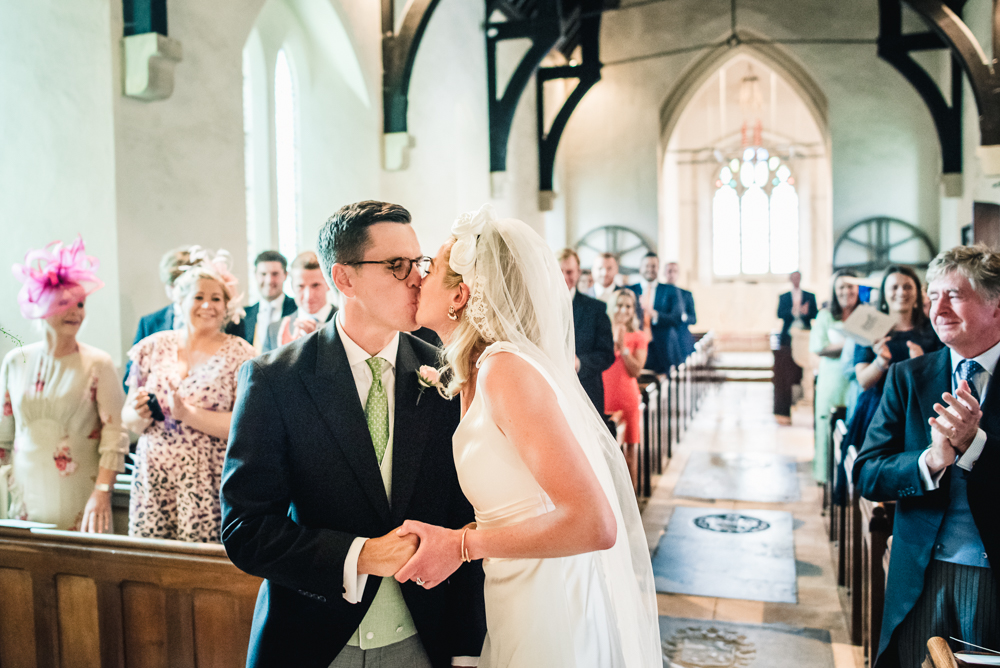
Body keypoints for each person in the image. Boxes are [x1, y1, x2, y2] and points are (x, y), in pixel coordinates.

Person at [220, 201, 486, 668]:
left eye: (419, 263)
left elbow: (467, 510)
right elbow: (246, 531)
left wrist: (468, 649)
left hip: (428, 638)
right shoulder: (275, 380)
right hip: (315, 640)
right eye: (397, 265)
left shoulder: (450, 369)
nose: (418, 279)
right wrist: (360, 555)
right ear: (343, 279)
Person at [398, 204, 660, 667]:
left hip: (551, 600)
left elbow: (594, 523)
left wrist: (462, 545)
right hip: (514, 588)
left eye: (429, 268)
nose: (417, 278)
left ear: (460, 294)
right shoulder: (477, 370)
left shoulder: (506, 370)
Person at [854, 245, 1000, 668]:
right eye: (932, 296)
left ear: (995, 305)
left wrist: (975, 447)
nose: (938, 309)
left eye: (954, 296)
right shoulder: (909, 377)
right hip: (920, 572)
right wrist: (930, 460)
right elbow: (867, 473)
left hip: (991, 576)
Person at [122, 249, 255, 542]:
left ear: (226, 306)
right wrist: (138, 412)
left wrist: (188, 415)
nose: (207, 304)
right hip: (153, 477)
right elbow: (128, 419)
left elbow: (244, 426)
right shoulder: (152, 347)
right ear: (179, 302)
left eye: (216, 298)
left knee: (199, 572)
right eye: (198, 297)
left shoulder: (242, 355)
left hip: (207, 481)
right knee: (149, 566)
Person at [1, 237, 128, 531]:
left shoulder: (98, 363)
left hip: (80, 494)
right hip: (22, 490)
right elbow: (3, 432)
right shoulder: (14, 360)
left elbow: (115, 434)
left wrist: (102, 492)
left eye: (81, 304)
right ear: (41, 306)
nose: (76, 312)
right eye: (65, 304)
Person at [836, 265, 942, 505]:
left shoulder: (932, 328)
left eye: (907, 286)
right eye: (894, 286)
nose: (901, 292)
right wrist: (881, 360)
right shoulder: (872, 326)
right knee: (874, 481)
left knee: (914, 478)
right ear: (884, 292)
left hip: (919, 412)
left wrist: (920, 365)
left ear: (917, 292)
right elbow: (863, 381)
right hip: (877, 409)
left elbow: (942, 379)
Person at [809, 269, 859, 484]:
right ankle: (826, 475)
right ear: (834, 290)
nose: (846, 291)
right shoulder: (826, 315)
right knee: (827, 427)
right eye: (841, 287)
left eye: (850, 286)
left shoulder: (866, 315)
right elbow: (819, 347)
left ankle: (849, 480)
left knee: (854, 427)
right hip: (832, 379)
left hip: (857, 380)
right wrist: (851, 343)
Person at [124, 246, 193, 390]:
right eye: (172, 283)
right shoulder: (149, 323)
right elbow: (131, 377)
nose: (177, 290)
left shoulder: (218, 320)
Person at [557, 248, 615, 417]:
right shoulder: (540, 307)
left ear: (578, 273)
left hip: (587, 392)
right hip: (553, 394)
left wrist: (580, 363)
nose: (564, 277)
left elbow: (607, 354)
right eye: (559, 271)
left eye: (569, 272)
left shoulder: (595, 308)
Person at [262, 251, 336, 353]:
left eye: (315, 285)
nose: (308, 296)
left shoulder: (347, 322)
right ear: (292, 286)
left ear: (328, 284)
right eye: (300, 286)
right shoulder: (274, 330)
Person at [603, 290, 650, 452]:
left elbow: (635, 371)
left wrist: (624, 349)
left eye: (628, 306)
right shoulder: (602, 332)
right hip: (604, 394)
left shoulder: (639, 336)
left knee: (630, 450)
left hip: (626, 396)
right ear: (612, 307)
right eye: (619, 305)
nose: (624, 310)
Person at [627, 252, 686, 374]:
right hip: (635, 346)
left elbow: (677, 318)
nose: (650, 269)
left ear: (658, 268)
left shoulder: (670, 290)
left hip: (661, 346)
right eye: (647, 266)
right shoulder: (630, 290)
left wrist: (655, 315)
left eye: (653, 266)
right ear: (640, 268)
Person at [774, 271, 818, 424]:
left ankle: (806, 397)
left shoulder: (809, 295)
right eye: (794, 277)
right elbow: (779, 313)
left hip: (805, 336)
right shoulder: (784, 296)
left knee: (806, 369)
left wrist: (806, 313)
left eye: (798, 277)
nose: (796, 280)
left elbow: (815, 314)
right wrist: (793, 311)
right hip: (788, 337)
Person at [232, 250, 297, 351]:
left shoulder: (297, 309)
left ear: (285, 275)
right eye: (263, 274)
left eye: (275, 274)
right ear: (255, 275)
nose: (269, 280)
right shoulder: (243, 315)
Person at [663, 261, 697, 359]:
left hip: (682, 338)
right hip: (665, 338)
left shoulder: (686, 294)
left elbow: (694, 319)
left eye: (675, 271)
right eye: (669, 271)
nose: (672, 274)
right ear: (664, 273)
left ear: (678, 274)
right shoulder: (659, 292)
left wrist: (683, 316)